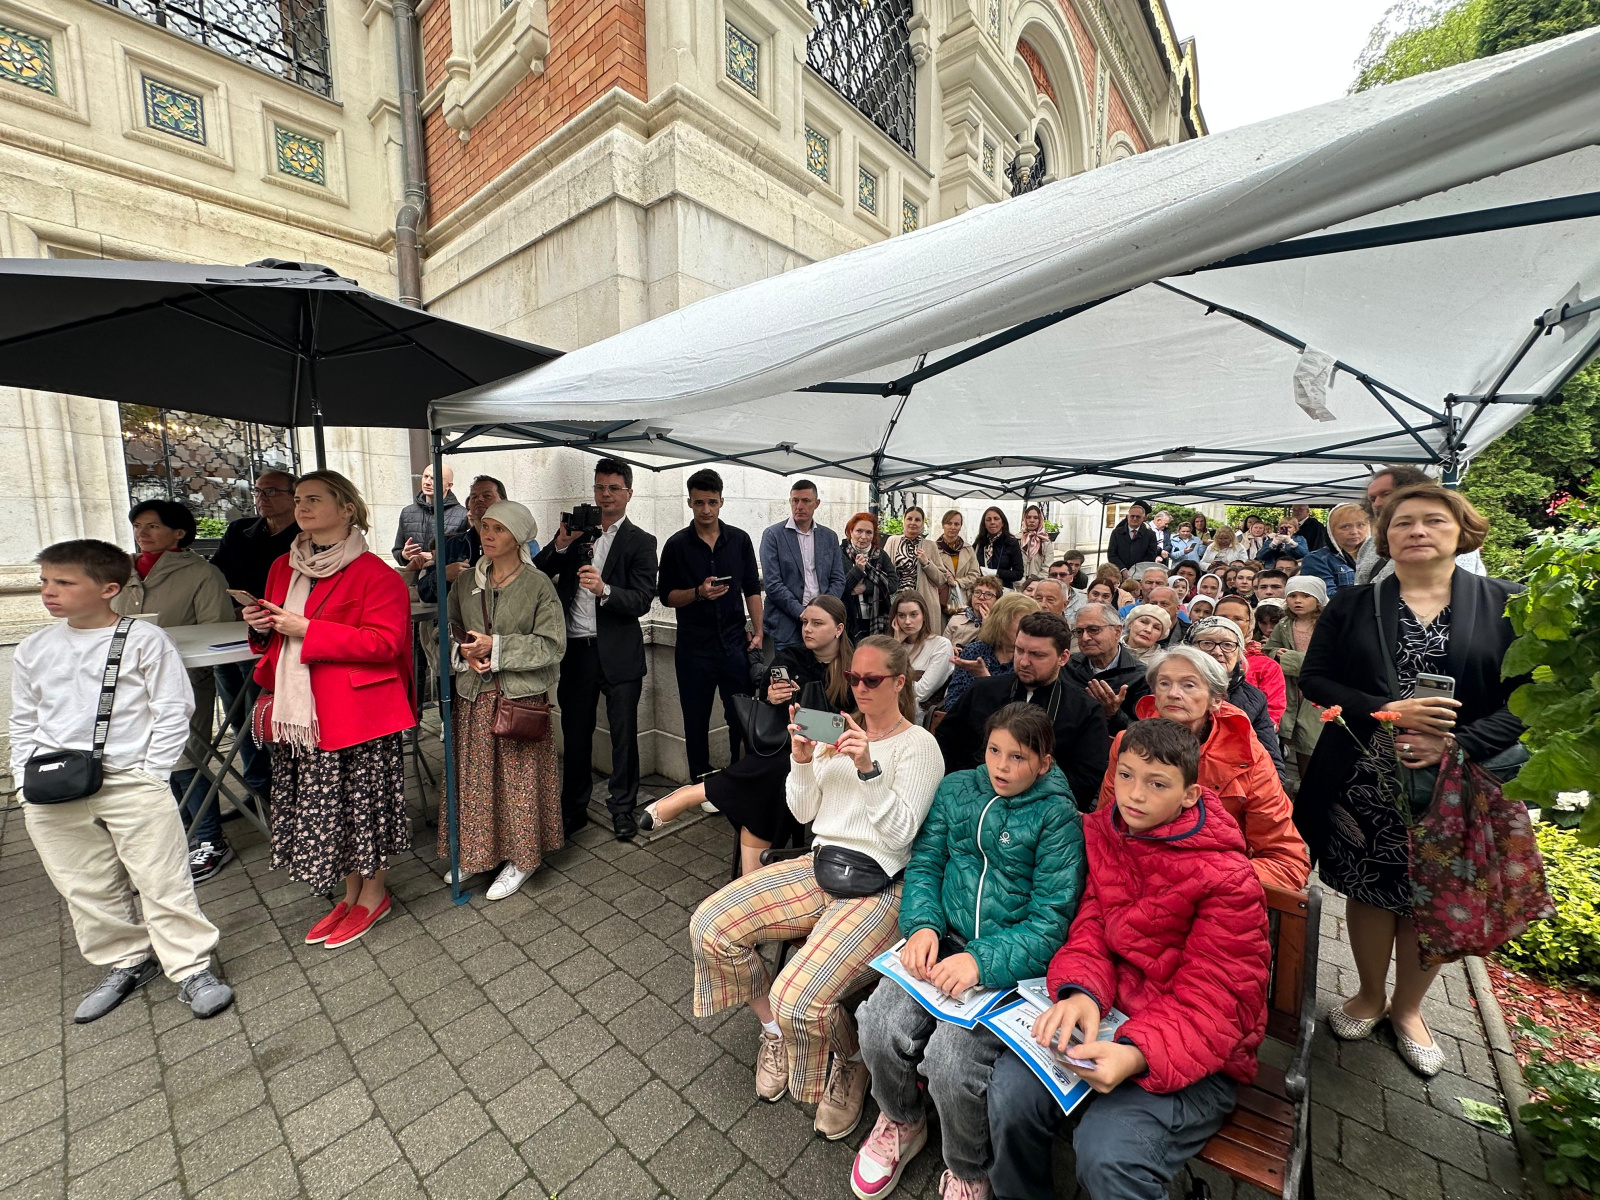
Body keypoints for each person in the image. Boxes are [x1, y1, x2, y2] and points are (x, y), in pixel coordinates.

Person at [988, 719, 1272, 1200]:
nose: (1134, 794)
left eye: (1157, 784)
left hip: (1197, 1054)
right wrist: (1081, 993)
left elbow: (1220, 1000)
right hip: (1109, 1018)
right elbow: (1091, 925)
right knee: (1011, 1093)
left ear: (1189, 795)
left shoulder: (1228, 878)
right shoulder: (1106, 833)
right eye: (1125, 775)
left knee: (1108, 1153)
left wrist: (1137, 1054)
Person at [1299, 484, 1520, 1077]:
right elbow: (1316, 679)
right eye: (1402, 522)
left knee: (1436, 894)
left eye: (1433, 520)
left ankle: (1410, 1009)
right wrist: (1387, 709)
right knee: (1372, 889)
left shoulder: (1506, 604)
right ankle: (1370, 994)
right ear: (1385, 537)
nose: (1417, 530)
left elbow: (1529, 697)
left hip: (1459, 781)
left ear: (1463, 531)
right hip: (1367, 779)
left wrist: (1458, 744)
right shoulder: (1352, 605)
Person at [689, 635, 944, 1140]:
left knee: (798, 997)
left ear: (899, 682)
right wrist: (802, 760)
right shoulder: (837, 732)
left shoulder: (919, 746)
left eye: (872, 679)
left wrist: (868, 768)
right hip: (819, 864)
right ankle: (773, 1032)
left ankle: (851, 1059)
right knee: (710, 927)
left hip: (881, 885)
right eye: (853, 678)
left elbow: (899, 835)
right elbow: (803, 812)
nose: (860, 687)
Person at [854, 704, 1086, 1200]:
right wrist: (922, 925)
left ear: (1044, 762)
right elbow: (926, 863)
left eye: (1018, 757)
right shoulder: (958, 788)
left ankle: (966, 1166)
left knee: (952, 1064)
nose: (1001, 766)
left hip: (1008, 961)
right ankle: (901, 1119)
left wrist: (981, 961)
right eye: (994, 750)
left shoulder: (1057, 818)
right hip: (944, 941)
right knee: (877, 1023)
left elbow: (1051, 922)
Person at [13, 540, 234, 1022]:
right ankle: (127, 959)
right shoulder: (34, 648)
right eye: (45, 581)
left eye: (64, 582)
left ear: (109, 589)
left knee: (162, 878)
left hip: (130, 779)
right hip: (51, 785)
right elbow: (24, 719)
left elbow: (173, 709)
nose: (49, 591)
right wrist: (21, 779)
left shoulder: (144, 640)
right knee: (84, 884)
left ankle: (190, 966)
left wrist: (152, 772)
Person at [242, 471, 414, 948]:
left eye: (314, 499)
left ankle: (373, 896)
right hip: (303, 715)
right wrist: (261, 625)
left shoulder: (377, 573)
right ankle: (350, 893)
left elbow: (385, 643)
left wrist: (308, 630)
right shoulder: (284, 567)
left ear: (346, 508)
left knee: (362, 809)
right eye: (298, 498)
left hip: (358, 715)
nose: (301, 507)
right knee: (330, 812)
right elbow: (276, 638)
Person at [640, 597, 853, 874]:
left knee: (769, 776)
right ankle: (752, 878)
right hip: (786, 747)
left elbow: (856, 721)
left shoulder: (855, 667)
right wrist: (772, 696)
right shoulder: (791, 657)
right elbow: (765, 698)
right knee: (770, 779)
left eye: (817, 623)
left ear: (838, 629)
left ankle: (698, 794)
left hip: (832, 754)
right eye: (804, 622)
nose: (807, 629)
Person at [1103, 649, 1308, 891]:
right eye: (1164, 683)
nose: (1173, 693)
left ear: (1216, 699)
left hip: (1212, 887)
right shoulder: (1127, 743)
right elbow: (1106, 823)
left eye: (1188, 685)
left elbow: (1287, 862)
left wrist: (1202, 875)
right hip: (1131, 874)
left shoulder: (1248, 758)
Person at [445, 501, 566, 899]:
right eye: (485, 526)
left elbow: (552, 645)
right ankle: (479, 852)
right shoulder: (466, 582)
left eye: (499, 528)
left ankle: (523, 859)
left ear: (518, 537)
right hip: (474, 699)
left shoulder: (538, 585)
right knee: (478, 783)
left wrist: (496, 648)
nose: (488, 534)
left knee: (518, 783)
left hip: (519, 701)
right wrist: (464, 653)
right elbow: (447, 629)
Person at [113, 500, 237, 882]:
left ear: (179, 532)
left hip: (183, 679)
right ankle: (180, 830)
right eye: (138, 525)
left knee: (187, 758)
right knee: (147, 759)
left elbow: (218, 630)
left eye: (152, 525)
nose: (142, 533)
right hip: (128, 684)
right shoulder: (119, 572)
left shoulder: (202, 572)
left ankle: (210, 839)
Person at [535, 458, 659, 840]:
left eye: (613, 488)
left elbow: (642, 599)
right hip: (576, 651)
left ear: (629, 494)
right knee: (575, 734)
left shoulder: (641, 541)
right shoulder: (577, 535)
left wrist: (605, 590)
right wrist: (560, 543)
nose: (605, 495)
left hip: (619, 653)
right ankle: (573, 810)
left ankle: (622, 808)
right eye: (599, 487)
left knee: (624, 736)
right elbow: (536, 574)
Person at [936, 613, 1110, 808]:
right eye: (1019, 650)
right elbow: (945, 742)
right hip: (969, 799)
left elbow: (1086, 779)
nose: (1024, 661)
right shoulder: (983, 690)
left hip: (1041, 810)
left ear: (1063, 657)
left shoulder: (1085, 710)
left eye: (1037, 655)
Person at [658, 469, 763, 785]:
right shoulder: (676, 545)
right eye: (699, 502)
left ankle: (739, 778)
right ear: (689, 502)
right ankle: (701, 786)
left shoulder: (740, 540)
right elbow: (666, 596)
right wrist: (698, 593)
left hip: (735, 646)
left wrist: (758, 632)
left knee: (741, 717)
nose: (706, 509)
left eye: (712, 502)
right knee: (696, 721)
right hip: (694, 650)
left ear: (721, 502)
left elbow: (752, 589)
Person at [210, 471, 299, 832]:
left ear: (293, 495)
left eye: (272, 491)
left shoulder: (305, 536)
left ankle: (284, 788)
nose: (262, 497)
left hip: (280, 636)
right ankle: (257, 786)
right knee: (237, 715)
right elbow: (218, 574)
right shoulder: (240, 530)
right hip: (234, 630)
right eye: (259, 491)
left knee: (262, 714)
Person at [1191, 609, 1290, 786]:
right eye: (1207, 643)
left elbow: (1270, 758)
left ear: (1239, 653)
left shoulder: (1254, 697)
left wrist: (1274, 792)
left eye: (1228, 645)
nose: (1217, 651)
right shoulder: (1169, 688)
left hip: (1236, 786)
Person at [1356, 464, 1487, 584]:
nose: (1377, 504)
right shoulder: (1370, 544)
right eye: (1372, 499)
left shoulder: (1451, 542)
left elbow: (1455, 588)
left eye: (1386, 494)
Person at [762, 479, 846, 651]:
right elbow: (772, 584)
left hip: (823, 622)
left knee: (823, 668)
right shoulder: (773, 535)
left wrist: (823, 610)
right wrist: (802, 613)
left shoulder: (829, 537)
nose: (799, 506)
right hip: (786, 624)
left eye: (805, 501)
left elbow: (838, 579)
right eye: (795, 500)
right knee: (789, 668)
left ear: (817, 503)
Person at [1264, 576, 1328, 781]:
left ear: (1318, 599)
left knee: (1310, 741)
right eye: (1292, 596)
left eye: (1305, 596)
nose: (1297, 601)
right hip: (1290, 691)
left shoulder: (1328, 624)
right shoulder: (1284, 625)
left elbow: (1327, 661)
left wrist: (1289, 659)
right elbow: (1269, 652)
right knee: (1289, 738)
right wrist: (1275, 654)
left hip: (1317, 693)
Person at [414, 474, 506, 605]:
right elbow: (424, 591)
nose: (479, 499)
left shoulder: (516, 542)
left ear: (504, 502)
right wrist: (443, 575)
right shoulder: (454, 545)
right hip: (462, 616)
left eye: (487, 496)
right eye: (474, 496)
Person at [943, 591, 1039, 712]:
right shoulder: (974, 651)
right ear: (1002, 622)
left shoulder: (1028, 660)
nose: (1029, 630)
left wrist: (986, 680)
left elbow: (1019, 713)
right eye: (1023, 624)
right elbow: (952, 704)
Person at [1065, 603, 1149, 734]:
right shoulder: (1067, 666)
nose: (1085, 638)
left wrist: (1114, 713)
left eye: (1093, 630)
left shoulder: (1142, 676)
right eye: (1079, 632)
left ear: (1117, 631)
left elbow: (1145, 734)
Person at [883, 507, 948, 636]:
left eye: (917, 520)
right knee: (897, 639)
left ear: (923, 523)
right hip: (897, 602)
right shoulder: (893, 541)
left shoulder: (930, 545)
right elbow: (883, 570)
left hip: (924, 602)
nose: (913, 522)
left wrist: (926, 562)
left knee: (924, 640)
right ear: (904, 520)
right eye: (909, 519)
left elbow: (941, 579)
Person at [891, 591, 954, 721]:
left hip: (920, 718)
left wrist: (890, 685)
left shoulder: (941, 645)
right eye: (901, 615)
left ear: (924, 616)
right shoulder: (894, 645)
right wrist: (895, 645)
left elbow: (922, 692)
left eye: (913, 615)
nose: (907, 621)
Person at [392, 463, 466, 567]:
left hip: (445, 575)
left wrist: (435, 557)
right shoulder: (407, 512)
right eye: (425, 476)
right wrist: (404, 555)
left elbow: (465, 555)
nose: (427, 482)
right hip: (414, 574)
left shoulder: (463, 515)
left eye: (434, 478)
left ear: (449, 485)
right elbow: (397, 551)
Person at [841, 512, 899, 642]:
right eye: (859, 531)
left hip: (876, 620)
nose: (863, 537)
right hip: (849, 618)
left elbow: (893, 584)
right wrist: (858, 570)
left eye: (869, 532)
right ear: (850, 532)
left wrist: (865, 587)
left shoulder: (880, 555)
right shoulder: (840, 553)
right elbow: (841, 587)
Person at [1300, 502, 1369, 597]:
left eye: (1360, 525)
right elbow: (1327, 597)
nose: (1354, 531)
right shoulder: (1317, 559)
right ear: (1331, 531)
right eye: (1345, 526)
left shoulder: (1379, 557)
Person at [933, 510, 980, 622]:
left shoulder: (968, 549)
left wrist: (957, 582)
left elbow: (975, 575)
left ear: (960, 526)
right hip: (940, 599)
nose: (952, 527)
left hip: (963, 599)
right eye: (949, 523)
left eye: (956, 524)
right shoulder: (933, 548)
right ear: (943, 525)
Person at [943, 575, 1003, 648]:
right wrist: (951, 648)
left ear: (997, 601)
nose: (981, 597)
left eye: (988, 594)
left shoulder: (1001, 624)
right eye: (977, 592)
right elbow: (942, 647)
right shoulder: (956, 619)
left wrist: (987, 625)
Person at [972, 507, 1023, 589]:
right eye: (988, 519)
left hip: (1003, 590)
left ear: (1003, 523)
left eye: (996, 519)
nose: (992, 522)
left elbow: (1018, 574)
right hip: (981, 590)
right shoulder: (979, 543)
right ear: (984, 524)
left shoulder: (1011, 543)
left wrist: (994, 572)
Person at [1106, 501, 1158, 572]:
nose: (1135, 519)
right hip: (1119, 573)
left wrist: (1135, 571)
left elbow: (1151, 556)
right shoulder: (1117, 533)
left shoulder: (1150, 535)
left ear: (1144, 518)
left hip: (1140, 573)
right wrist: (1122, 569)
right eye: (1132, 516)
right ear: (1127, 517)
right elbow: (1112, 554)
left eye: (1138, 517)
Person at [1018, 505, 1052, 580]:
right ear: (1024, 519)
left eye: (1036, 518)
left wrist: (1034, 581)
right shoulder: (1017, 540)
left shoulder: (1045, 542)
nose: (1032, 520)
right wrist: (1021, 582)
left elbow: (1048, 567)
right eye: (1028, 517)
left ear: (1040, 520)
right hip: (1018, 583)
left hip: (1037, 583)